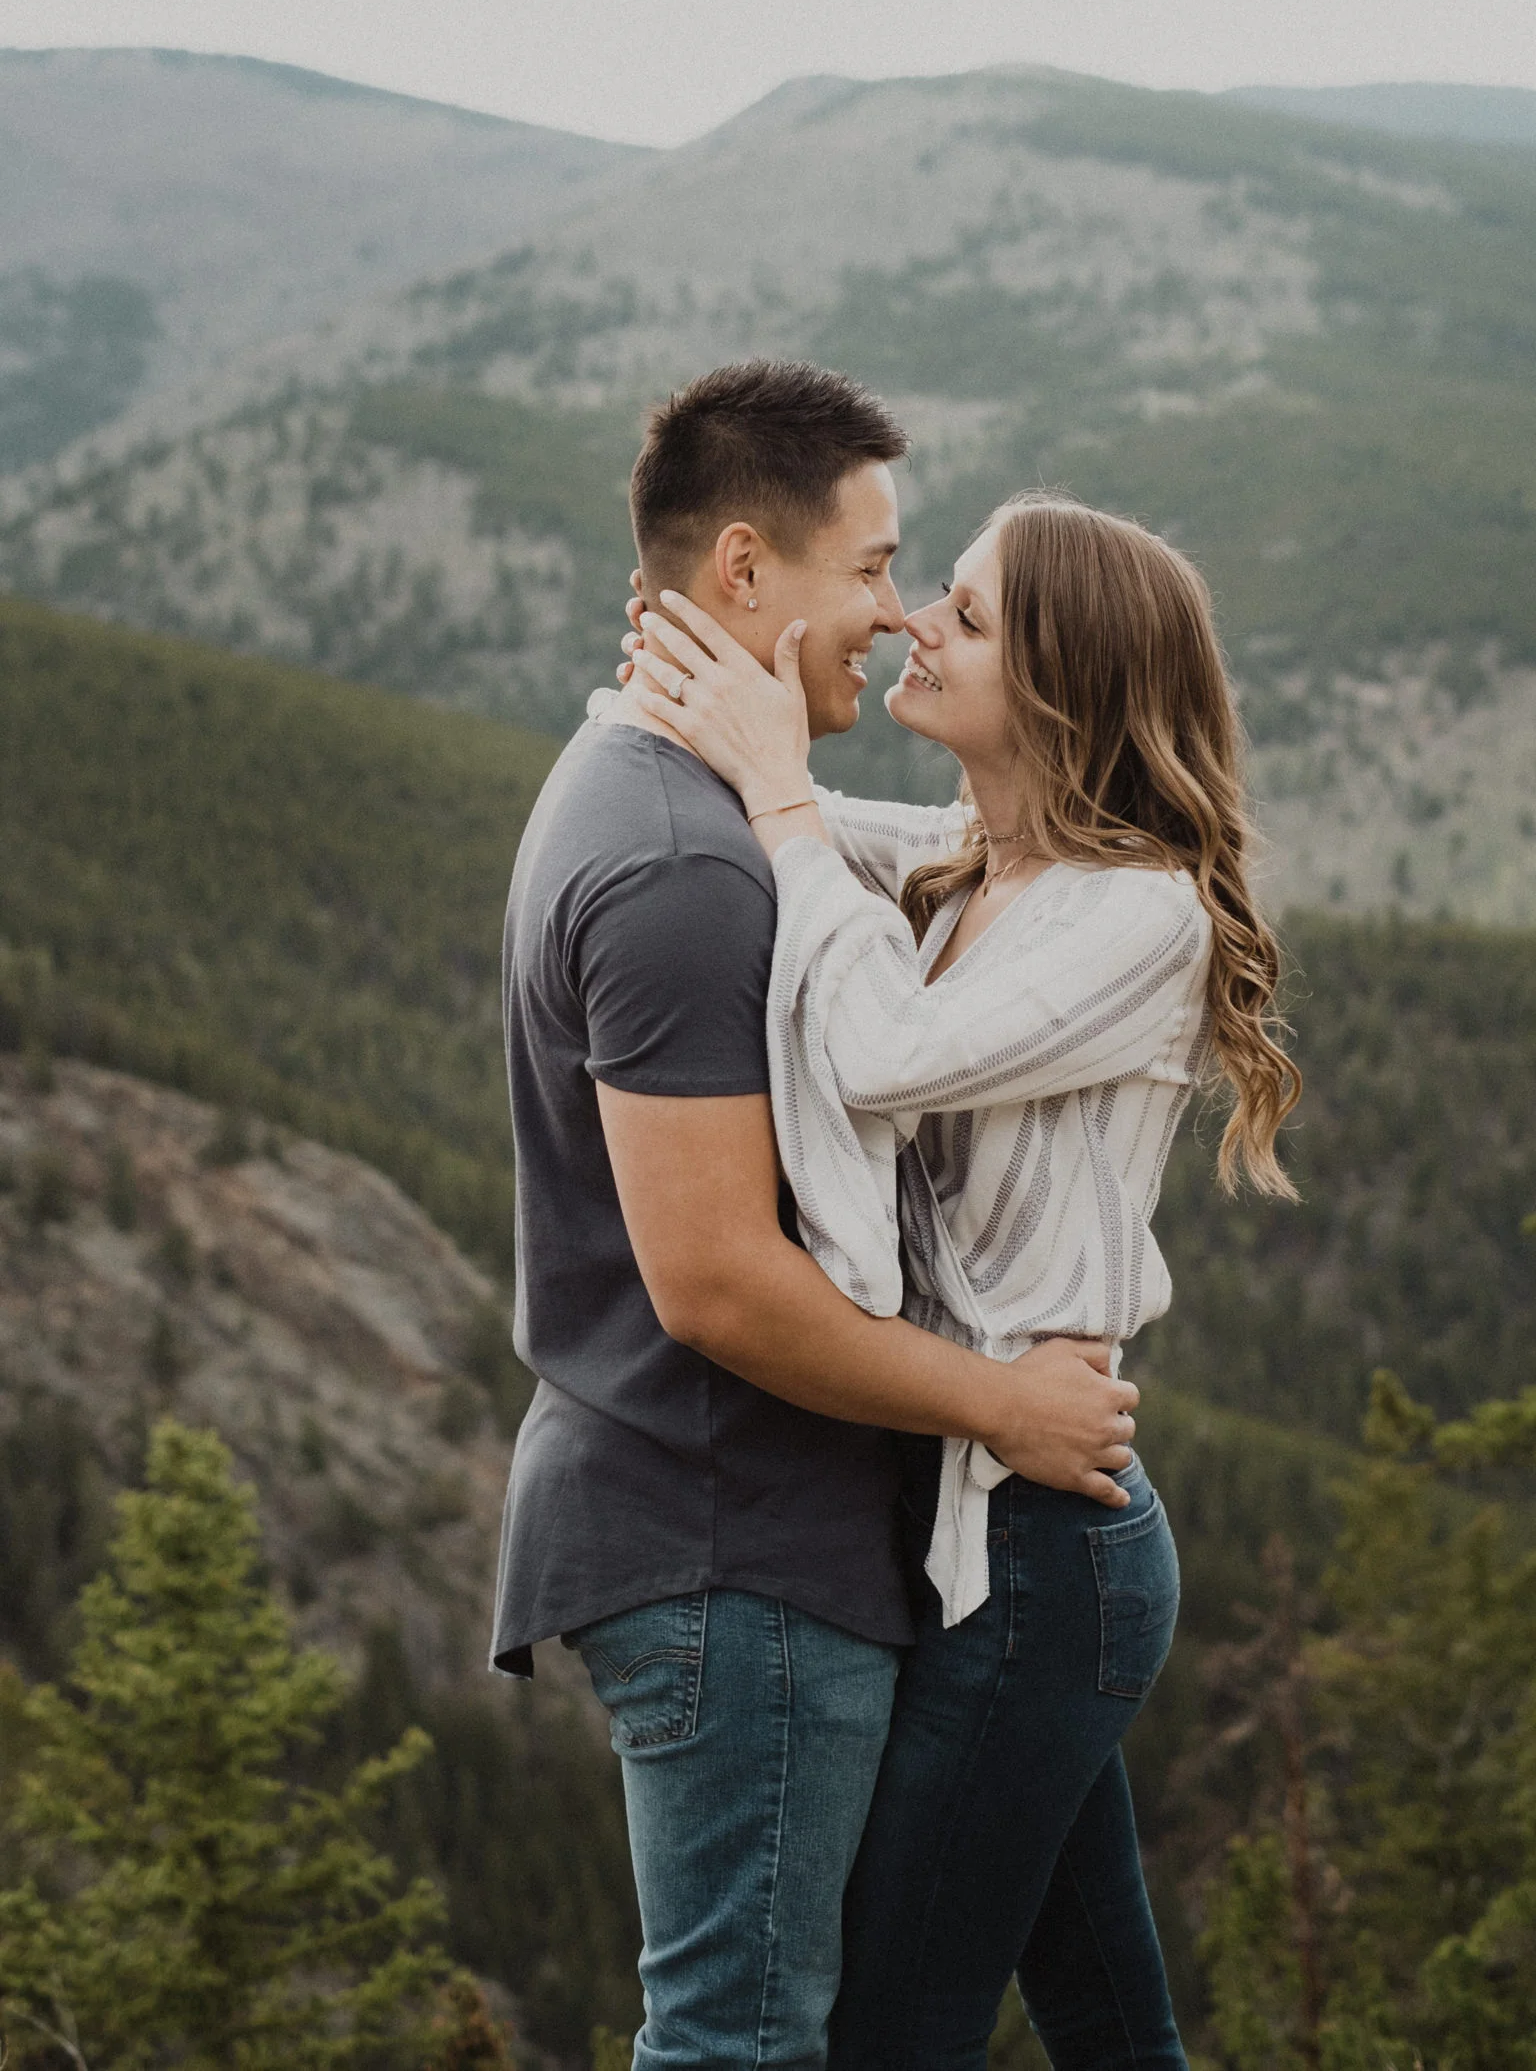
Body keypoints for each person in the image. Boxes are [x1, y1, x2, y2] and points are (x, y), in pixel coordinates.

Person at [489, 361, 1141, 2071]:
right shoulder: (688, 864)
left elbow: (929, 845)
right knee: (746, 2042)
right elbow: (713, 1283)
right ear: (742, 573)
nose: (894, 614)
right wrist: (1006, 1402)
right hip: (732, 1536)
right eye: (871, 569)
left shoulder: (656, 795)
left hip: (745, 1528)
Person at [629, 486, 1300, 2070]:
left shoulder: (1139, 917)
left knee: (888, 2033)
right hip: (988, 1515)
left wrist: (786, 795)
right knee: (1108, 2020)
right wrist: (689, 688)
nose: (919, 620)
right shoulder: (971, 860)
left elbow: (881, 1051)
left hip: (1043, 1552)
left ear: (1064, 691)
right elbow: (753, 804)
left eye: (971, 614)